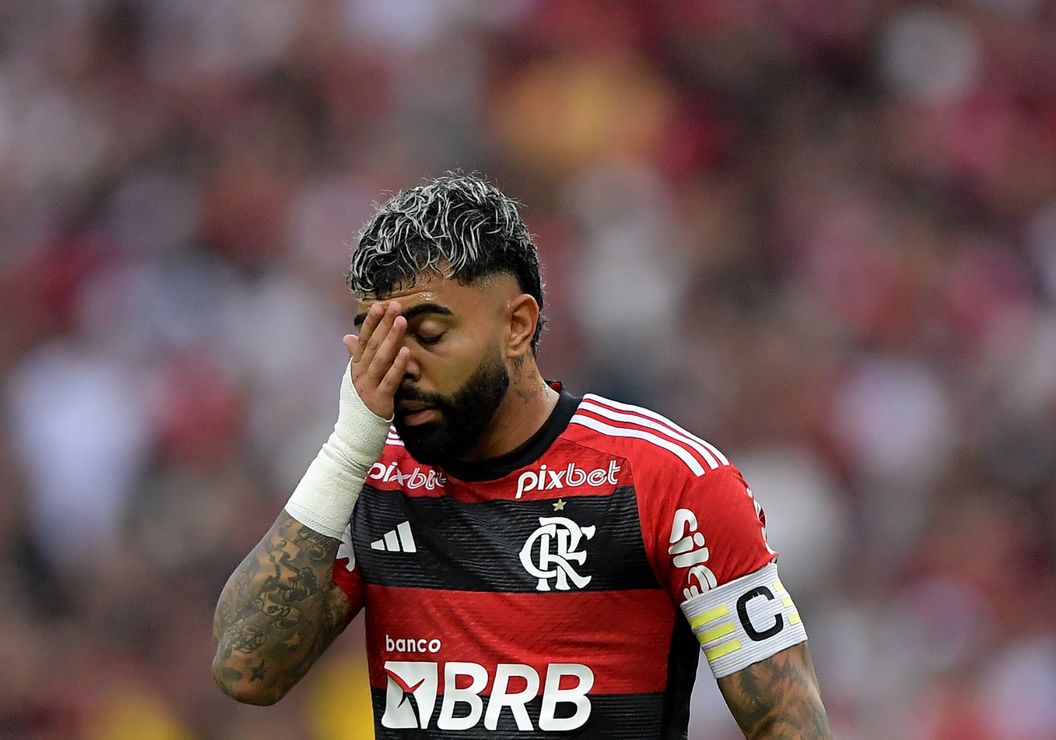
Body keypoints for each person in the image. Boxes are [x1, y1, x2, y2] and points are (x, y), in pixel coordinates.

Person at [212, 173, 831, 738]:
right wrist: (346, 452)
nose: (400, 367)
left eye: (428, 334)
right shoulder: (370, 480)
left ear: (517, 326)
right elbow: (246, 670)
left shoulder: (667, 481)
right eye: (377, 339)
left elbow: (786, 720)